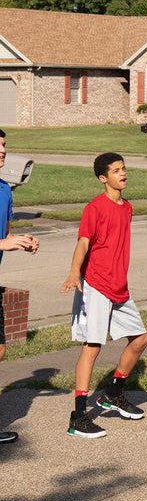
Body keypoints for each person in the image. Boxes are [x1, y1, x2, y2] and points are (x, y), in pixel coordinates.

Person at [60, 152, 147, 438]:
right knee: (93, 346)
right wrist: (75, 272)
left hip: (119, 287)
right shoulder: (94, 208)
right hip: (95, 285)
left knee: (141, 339)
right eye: (115, 170)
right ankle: (78, 416)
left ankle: (112, 393)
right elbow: (83, 243)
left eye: (123, 168)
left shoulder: (127, 208)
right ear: (103, 178)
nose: (123, 173)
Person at [0, 128, 40, 445]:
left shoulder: (5, 191)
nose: (3, 151)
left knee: (0, 349)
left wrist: (21, 242)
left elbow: (6, 235)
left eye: (4, 146)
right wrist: (6, 243)